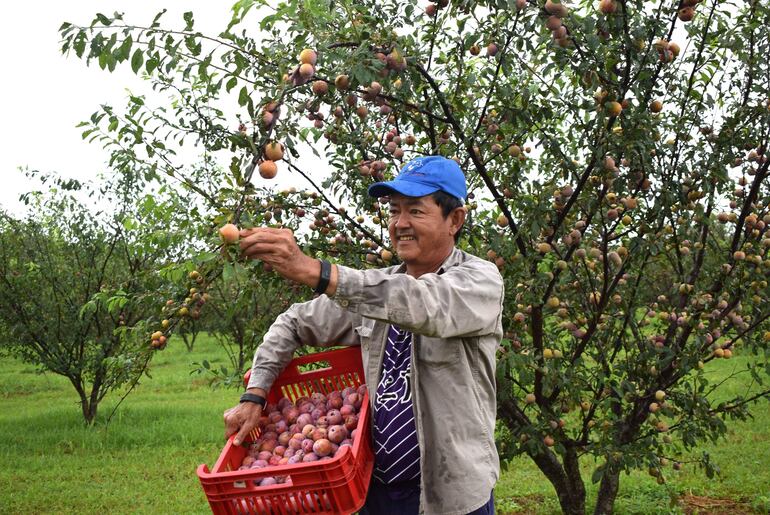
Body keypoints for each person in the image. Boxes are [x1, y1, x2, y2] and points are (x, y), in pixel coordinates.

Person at [223, 155, 504, 514]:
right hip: (377, 490)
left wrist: (314, 270)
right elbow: (293, 322)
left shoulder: (479, 281)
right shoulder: (373, 290)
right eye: (393, 210)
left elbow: (420, 303)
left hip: (450, 494)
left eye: (415, 211)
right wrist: (255, 393)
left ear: (455, 219)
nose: (400, 223)